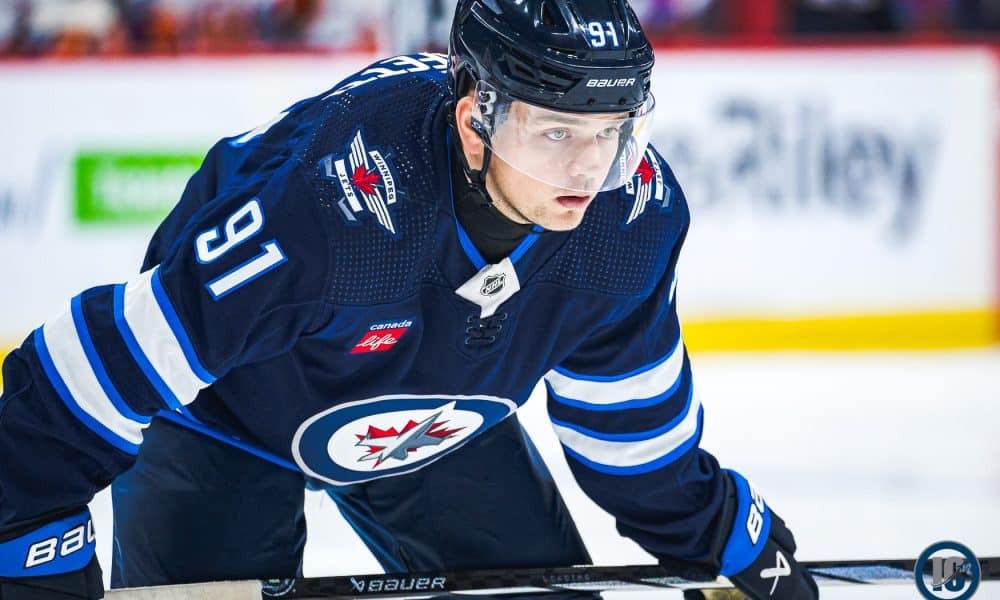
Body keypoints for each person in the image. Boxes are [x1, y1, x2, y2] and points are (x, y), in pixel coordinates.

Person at [0, 1, 819, 599]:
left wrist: (717, 529)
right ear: (474, 123)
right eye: (556, 132)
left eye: (611, 131)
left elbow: (629, 425)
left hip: (437, 417)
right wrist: (24, 526)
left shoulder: (628, 222)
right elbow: (103, 359)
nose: (587, 169)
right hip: (225, 416)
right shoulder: (333, 211)